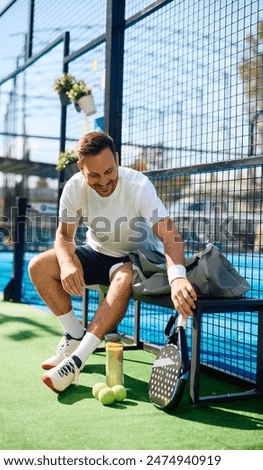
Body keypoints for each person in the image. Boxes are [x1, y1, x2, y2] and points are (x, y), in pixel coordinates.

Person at [29, 131, 197, 394]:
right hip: (96, 252)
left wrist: (177, 277)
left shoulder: (138, 185)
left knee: (124, 277)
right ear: (81, 168)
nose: (104, 181)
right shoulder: (74, 187)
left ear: (117, 159)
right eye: (94, 175)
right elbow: (63, 236)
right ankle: (73, 335)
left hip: (135, 258)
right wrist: (67, 263)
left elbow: (170, 236)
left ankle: (76, 362)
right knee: (39, 267)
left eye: (109, 171)